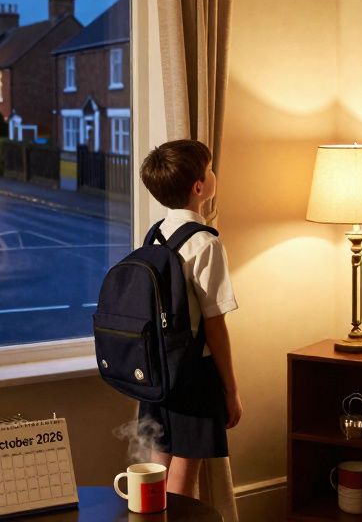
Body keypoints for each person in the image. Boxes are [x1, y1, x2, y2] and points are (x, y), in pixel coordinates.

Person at [136, 139, 243, 498]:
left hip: (157, 373)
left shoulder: (154, 236)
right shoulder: (204, 244)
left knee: (157, 468)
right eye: (210, 169)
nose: (214, 174)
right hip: (194, 374)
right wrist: (231, 390)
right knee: (185, 474)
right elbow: (214, 323)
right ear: (199, 187)